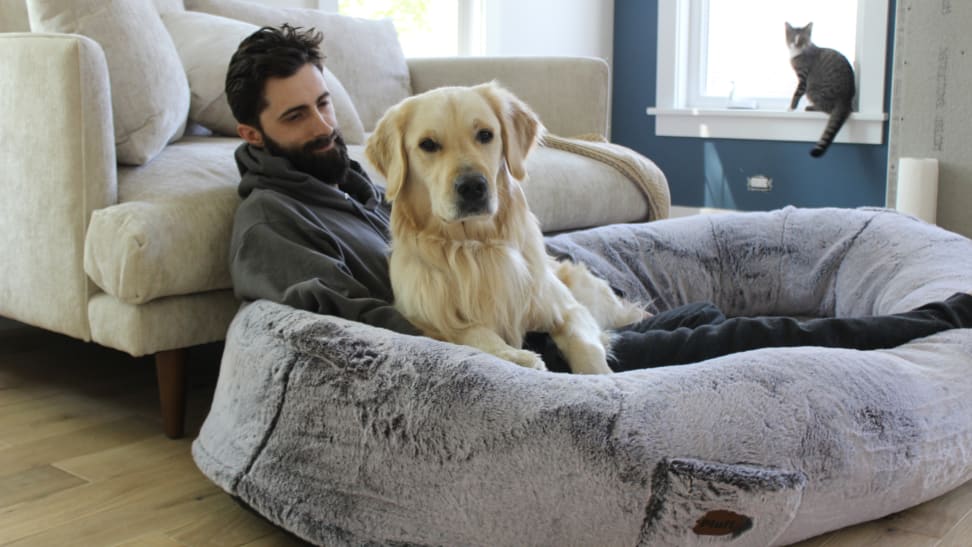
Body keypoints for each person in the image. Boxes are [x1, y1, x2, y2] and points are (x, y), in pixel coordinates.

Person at [225, 24, 972, 373]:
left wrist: (538, 278)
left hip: (527, 278)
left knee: (694, 319)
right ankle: (921, 323)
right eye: (297, 116)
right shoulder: (271, 220)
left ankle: (735, 324)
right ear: (252, 134)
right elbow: (334, 317)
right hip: (495, 341)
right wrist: (470, 339)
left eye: (324, 103)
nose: (325, 126)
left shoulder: (356, 172)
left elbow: (488, 222)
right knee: (715, 343)